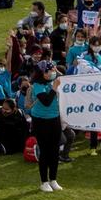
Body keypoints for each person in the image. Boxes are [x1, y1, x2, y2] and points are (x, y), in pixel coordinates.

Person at [28, 60, 63, 191]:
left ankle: (53, 179)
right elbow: (46, 101)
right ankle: (44, 182)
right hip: (41, 121)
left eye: (53, 70)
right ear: (42, 73)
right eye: (50, 71)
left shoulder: (53, 80)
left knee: (55, 150)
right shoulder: (37, 85)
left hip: (55, 118)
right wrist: (54, 87)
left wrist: (57, 72)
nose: (52, 73)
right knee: (45, 151)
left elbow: (64, 78)